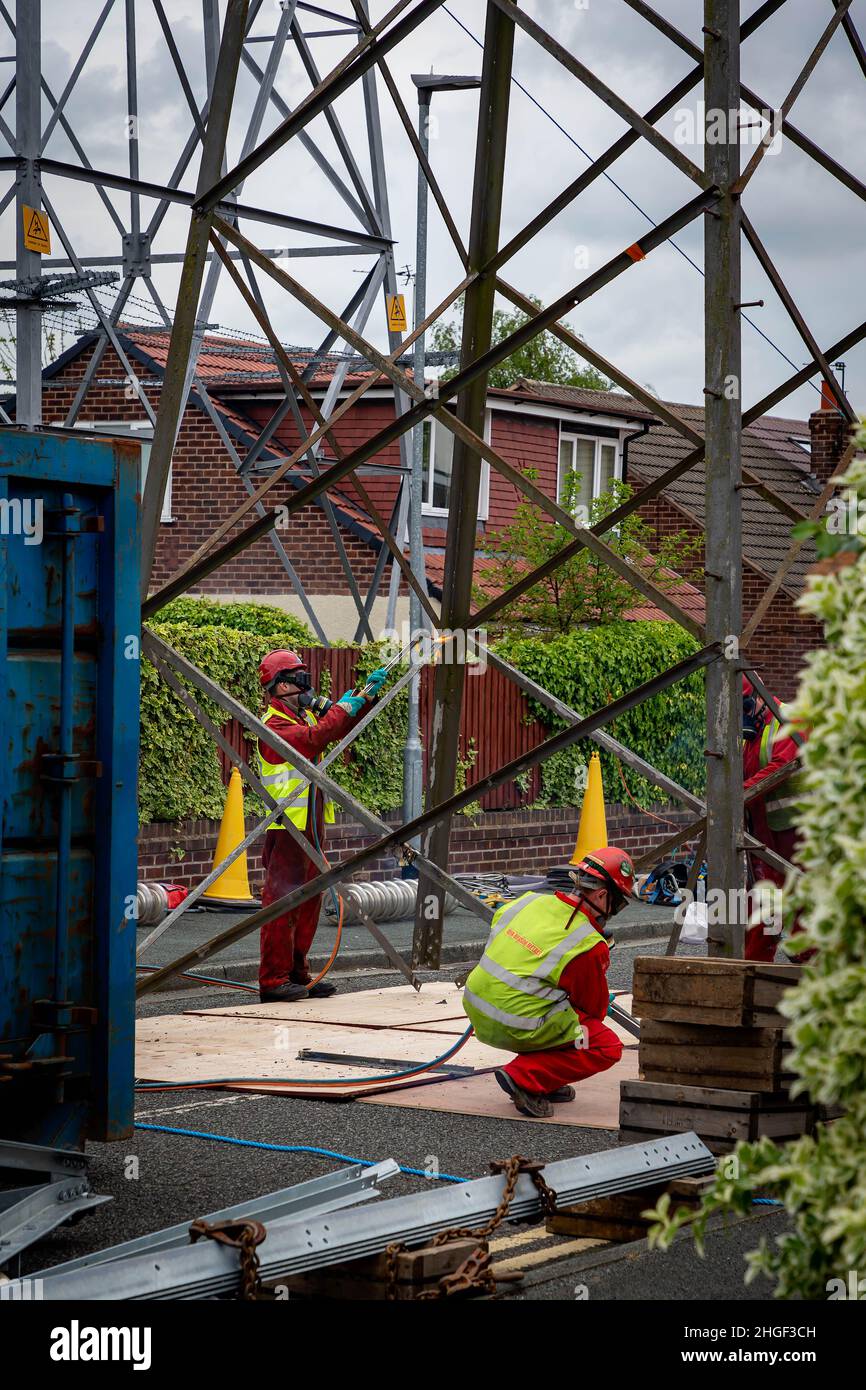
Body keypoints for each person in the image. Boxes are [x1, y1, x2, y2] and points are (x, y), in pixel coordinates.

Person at [462, 848, 635, 1119]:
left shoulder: (527, 902)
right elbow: (593, 1010)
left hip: (477, 1009)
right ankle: (524, 1077)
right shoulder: (587, 944)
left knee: (556, 1009)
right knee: (603, 1044)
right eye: (619, 902)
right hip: (515, 1023)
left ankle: (545, 1078)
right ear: (602, 895)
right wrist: (597, 961)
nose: (616, 910)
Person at [257, 649, 388, 1002]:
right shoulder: (274, 726)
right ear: (281, 685)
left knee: (308, 901)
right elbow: (317, 739)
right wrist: (343, 709)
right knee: (282, 902)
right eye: (299, 677)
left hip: (309, 825)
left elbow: (337, 728)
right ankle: (273, 980)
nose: (306, 683)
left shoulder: (300, 719)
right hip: (287, 828)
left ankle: (297, 975)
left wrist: (364, 697)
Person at [741, 677, 807, 962]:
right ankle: (754, 973)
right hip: (763, 836)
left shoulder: (792, 719)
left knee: (801, 902)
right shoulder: (751, 734)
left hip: (797, 833)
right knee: (762, 909)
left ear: (758, 696)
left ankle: (809, 968)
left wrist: (734, 796)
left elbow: (782, 765)